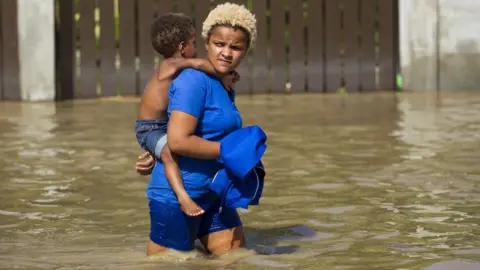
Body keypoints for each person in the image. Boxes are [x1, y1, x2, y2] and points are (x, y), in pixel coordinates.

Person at [144, 3, 259, 256]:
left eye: (236, 47)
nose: (227, 53)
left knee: (236, 259)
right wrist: (230, 150)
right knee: (171, 263)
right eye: (220, 44)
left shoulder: (224, 82)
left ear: (245, 51)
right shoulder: (193, 81)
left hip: (216, 194)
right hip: (176, 198)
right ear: (207, 43)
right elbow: (178, 141)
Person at [135, 13, 239, 216]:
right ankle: (183, 198)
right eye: (193, 43)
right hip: (149, 128)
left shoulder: (177, 69)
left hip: (163, 124)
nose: (197, 49)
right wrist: (224, 72)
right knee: (169, 153)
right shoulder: (169, 66)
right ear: (182, 47)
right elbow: (200, 64)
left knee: (168, 149)